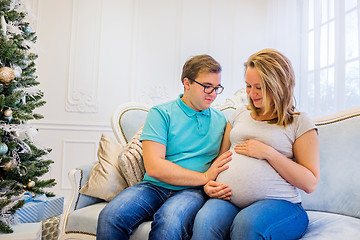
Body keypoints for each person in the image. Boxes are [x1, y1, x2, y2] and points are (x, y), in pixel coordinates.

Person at [97, 54, 233, 240]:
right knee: (110, 217)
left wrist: (208, 181)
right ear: (187, 83)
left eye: (217, 88)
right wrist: (203, 176)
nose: (213, 94)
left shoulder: (221, 121)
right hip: (154, 186)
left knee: (169, 221)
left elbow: (221, 162)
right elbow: (154, 167)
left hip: (192, 191)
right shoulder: (161, 113)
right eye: (207, 87)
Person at [193, 49, 320, 240]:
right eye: (248, 85)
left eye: (259, 87)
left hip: (282, 204)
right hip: (228, 200)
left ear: (279, 85)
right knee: (205, 221)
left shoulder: (299, 122)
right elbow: (220, 159)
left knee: (247, 225)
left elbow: (310, 183)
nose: (252, 93)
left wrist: (269, 153)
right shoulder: (239, 114)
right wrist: (209, 184)